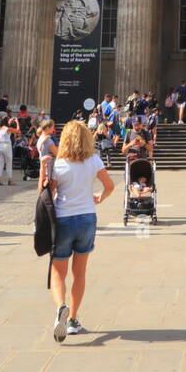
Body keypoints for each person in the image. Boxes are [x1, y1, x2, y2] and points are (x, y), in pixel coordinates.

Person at [45, 120, 115, 340]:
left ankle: (60, 308)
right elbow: (110, 186)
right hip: (87, 217)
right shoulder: (94, 160)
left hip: (63, 218)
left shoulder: (59, 163)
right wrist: (99, 197)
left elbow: (48, 193)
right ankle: (73, 320)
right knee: (80, 272)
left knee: (58, 272)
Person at [0, 114, 14, 185]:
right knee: (9, 163)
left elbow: (4, 125)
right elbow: (17, 130)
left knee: (0, 164)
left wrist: (9, 120)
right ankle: (10, 180)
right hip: (7, 146)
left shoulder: (0, 129)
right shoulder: (8, 129)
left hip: (1, 146)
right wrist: (17, 123)